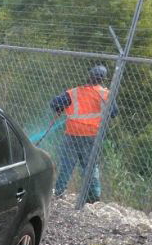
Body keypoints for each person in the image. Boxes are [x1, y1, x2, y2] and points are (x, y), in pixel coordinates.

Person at [50, 65, 118, 202]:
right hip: (92, 136)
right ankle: (93, 197)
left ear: (89, 76)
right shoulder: (105, 94)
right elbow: (114, 113)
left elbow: (54, 103)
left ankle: (59, 192)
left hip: (72, 134)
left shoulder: (74, 92)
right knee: (90, 166)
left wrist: (60, 108)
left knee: (67, 164)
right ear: (103, 79)